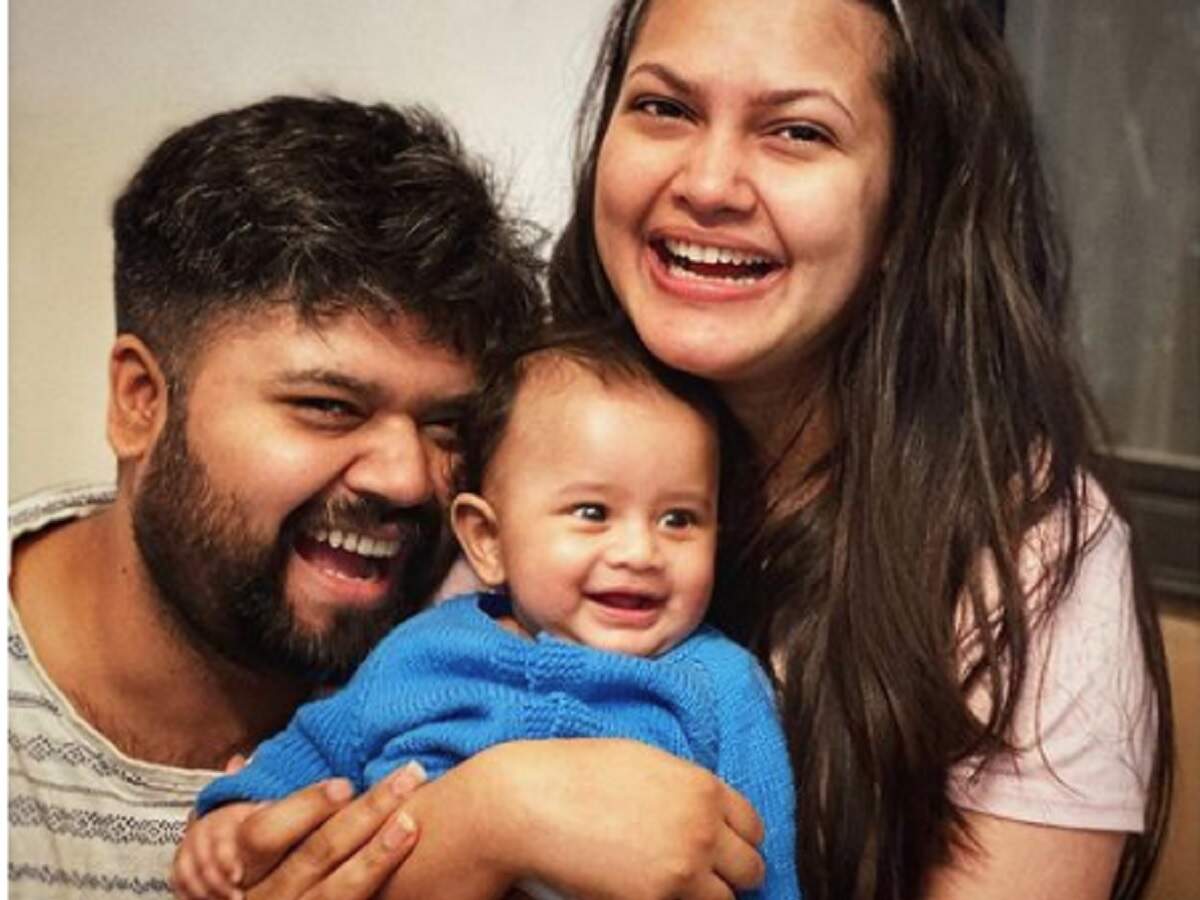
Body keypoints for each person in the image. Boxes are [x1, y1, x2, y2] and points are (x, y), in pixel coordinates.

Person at [545, 1, 1175, 899]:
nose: (709, 183)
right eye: (665, 108)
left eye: (797, 132)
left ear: (908, 206)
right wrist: (491, 821)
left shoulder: (1028, 545)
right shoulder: (520, 430)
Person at [8, 94, 545, 898]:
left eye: (447, 425)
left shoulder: (502, 665)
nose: (405, 478)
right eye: (327, 406)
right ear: (139, 402)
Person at [171, 327, 799, 900]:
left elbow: (769, 869)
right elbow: (314, 749)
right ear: (488, 540)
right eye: (592, 513)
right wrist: (232, 816)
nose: (640, 552)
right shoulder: (423, 652)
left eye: (679, 519)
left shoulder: (721, 684)